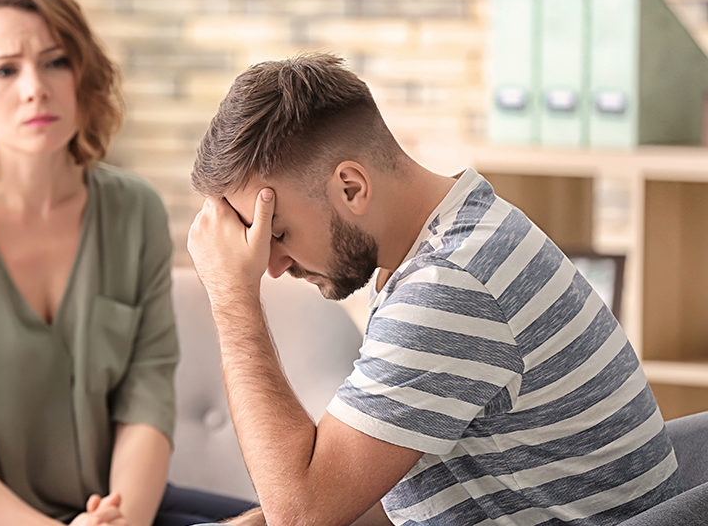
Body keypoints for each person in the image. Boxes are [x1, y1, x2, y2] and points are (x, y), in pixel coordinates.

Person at [184, 53, 681, 526]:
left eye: (277, 232)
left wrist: (232, 294)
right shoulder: (467, 229)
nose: (271, 267)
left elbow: (301, 512)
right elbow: (378, 488)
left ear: (351, 187)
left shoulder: (448, 285)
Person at [0, 0, 255, 526]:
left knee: (296, 517)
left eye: (56, 62)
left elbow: (146, 402)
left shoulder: (135, 211)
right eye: (5, 70)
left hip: (110, 510)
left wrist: (123, 517)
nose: (36, 87)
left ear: (82, 75)